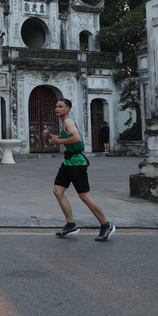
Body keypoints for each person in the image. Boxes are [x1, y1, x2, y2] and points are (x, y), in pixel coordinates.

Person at [42, 98, 115, 242]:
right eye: (56, 106)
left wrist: (58, 141)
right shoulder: (64, 123)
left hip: (76, 163)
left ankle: (106, 225)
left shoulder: (69, 122)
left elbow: (77, 139)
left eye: (61, 106)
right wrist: (49, 136)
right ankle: (70, 225)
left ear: (68, 108)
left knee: (84, 196)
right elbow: (59, 140)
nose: (57, 109)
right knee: (58, 191)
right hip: (68, 162)